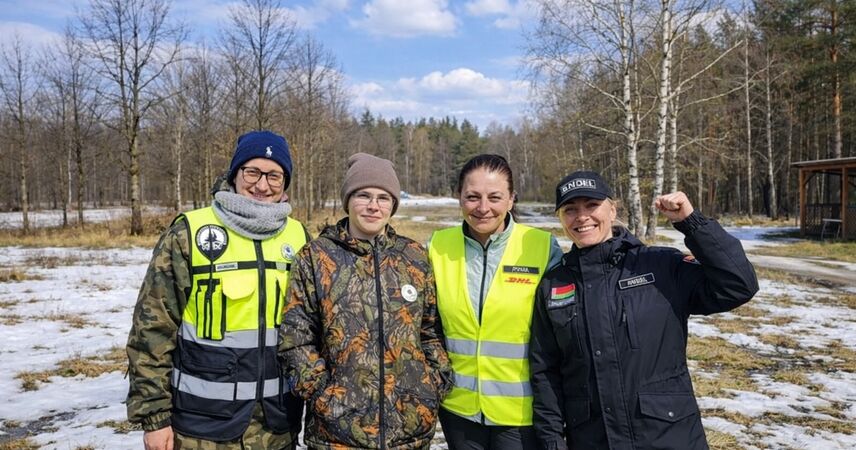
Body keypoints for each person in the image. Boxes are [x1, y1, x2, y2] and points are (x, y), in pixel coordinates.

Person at [529, 170, 759, 450]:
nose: (582, 217)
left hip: (668, 437)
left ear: (612, 210)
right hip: (592, 439)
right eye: (570, 209)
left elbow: (739, 285)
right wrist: (553, 442)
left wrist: (692, 223)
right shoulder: (554, 285)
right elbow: (545, 372)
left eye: (592, 205)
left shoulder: (659, 265)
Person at [126, 130, 310, 450]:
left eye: (274, 176)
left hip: (277, 426)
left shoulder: (299, 237)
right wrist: (155, 418)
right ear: (235, 174)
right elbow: (152, 329)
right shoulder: (190, 232)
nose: (262, 185)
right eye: (252, 172)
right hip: (201, 427)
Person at [279, 152, 452, 449]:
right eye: (363, 195)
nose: (374, 206)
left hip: (409, 433)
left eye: (383, 198)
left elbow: (430, 330)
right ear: (348, 200)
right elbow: (295, 338)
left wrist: (433, 382)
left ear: (393, 205)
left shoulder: (413, 257)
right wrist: (324, 395)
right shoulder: (316, 257)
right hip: (338, 434)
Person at [427, 154, 564, 450]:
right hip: (458, 409)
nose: (483, 208)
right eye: (472, 197)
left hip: (521, 414)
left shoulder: (541, 247)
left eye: (495, 197)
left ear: (512, 199)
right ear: (459, 198)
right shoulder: (437, 246)